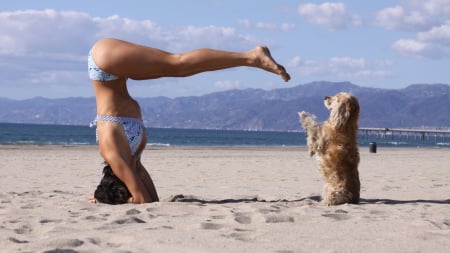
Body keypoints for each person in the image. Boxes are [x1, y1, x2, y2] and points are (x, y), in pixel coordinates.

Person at [88, 38, 290, 204]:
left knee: (178, 64)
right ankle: (250, 57)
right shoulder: (127, 161)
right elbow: (152, 202)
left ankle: (252, 56)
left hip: (103, 62)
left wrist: (111, 200)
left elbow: (141, 199)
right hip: (115, 95)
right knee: (178, 65)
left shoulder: (114, 153)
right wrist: (103, 197)